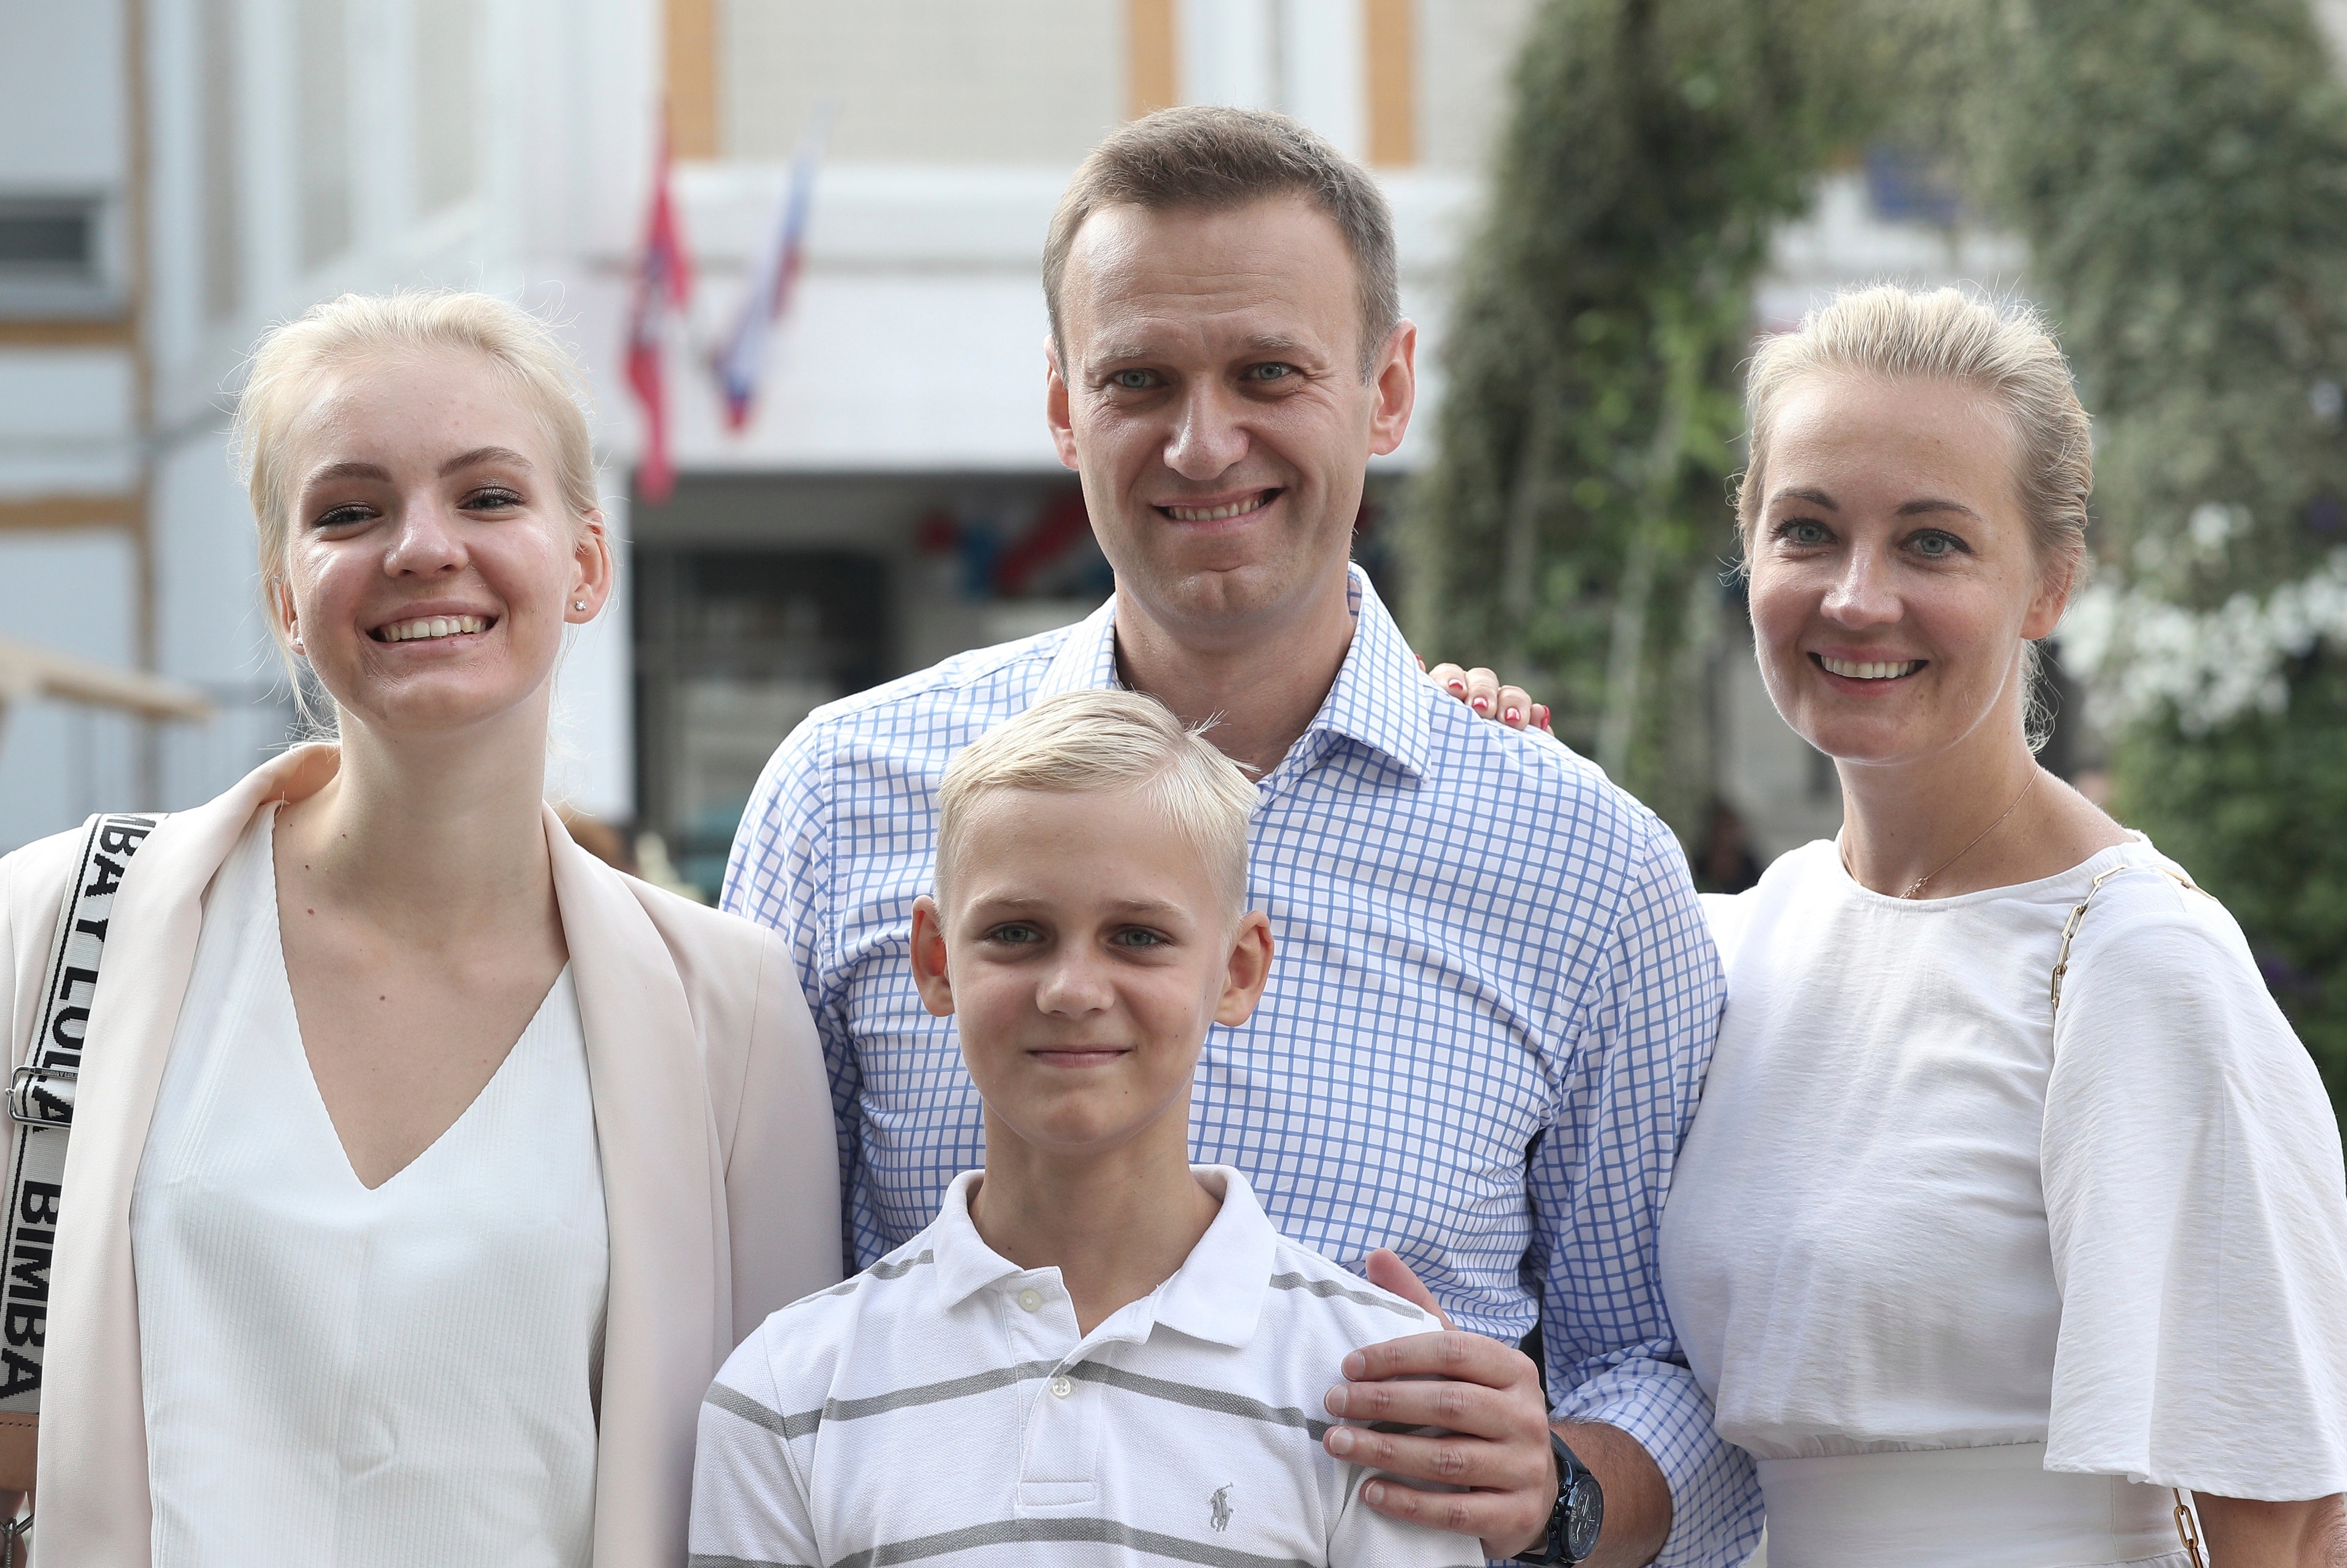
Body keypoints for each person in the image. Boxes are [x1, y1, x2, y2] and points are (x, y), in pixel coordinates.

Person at [725, 106, 1749, 1567]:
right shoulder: (844, 798)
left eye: (1268, 372)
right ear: (1064, 406)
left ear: (1386, 389)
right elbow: (754, 1315)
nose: (1203, 443)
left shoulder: (1582, 865)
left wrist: (1559, 1489)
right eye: (1138, 378)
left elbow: (1685, 1379)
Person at [0, 291, 840, 1566]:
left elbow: (767, 1492)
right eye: (349, 509)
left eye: (488, 496)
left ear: (586, 562)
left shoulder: (729, 1005)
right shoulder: (60, 921)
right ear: (286, 594)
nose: (421, 547)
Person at [1646, 284, 2347, 1564]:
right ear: (1747, 544)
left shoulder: (2134, 967)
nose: (1856, 599)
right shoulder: (1741, 939)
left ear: (2048, 585)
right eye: (1807, 530)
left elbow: (2285, 1514)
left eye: (1930, 543)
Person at [693, 690, 1480, 1568]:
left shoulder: (1369, 1383)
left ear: (1238, 969)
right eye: (1017, 932)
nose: (1072, 989)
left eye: (1137, 936)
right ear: (934, 959)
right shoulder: (790, 1390)